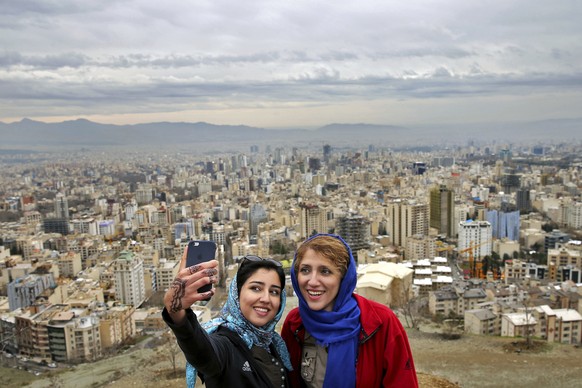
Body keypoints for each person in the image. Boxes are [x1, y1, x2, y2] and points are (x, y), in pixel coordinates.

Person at [281, 234, 418, 388]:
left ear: (344, 278)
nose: (312, 281)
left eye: (325, 271)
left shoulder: (380, 322)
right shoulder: (295, 323)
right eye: (305, 270)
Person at [163, 249, 293, 388]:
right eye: (256, 288)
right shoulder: (227, 343)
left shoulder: (271, 341)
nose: (266, 299)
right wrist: (176, 309)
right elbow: (202, 352)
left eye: (274, 292)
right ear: (237, 293)